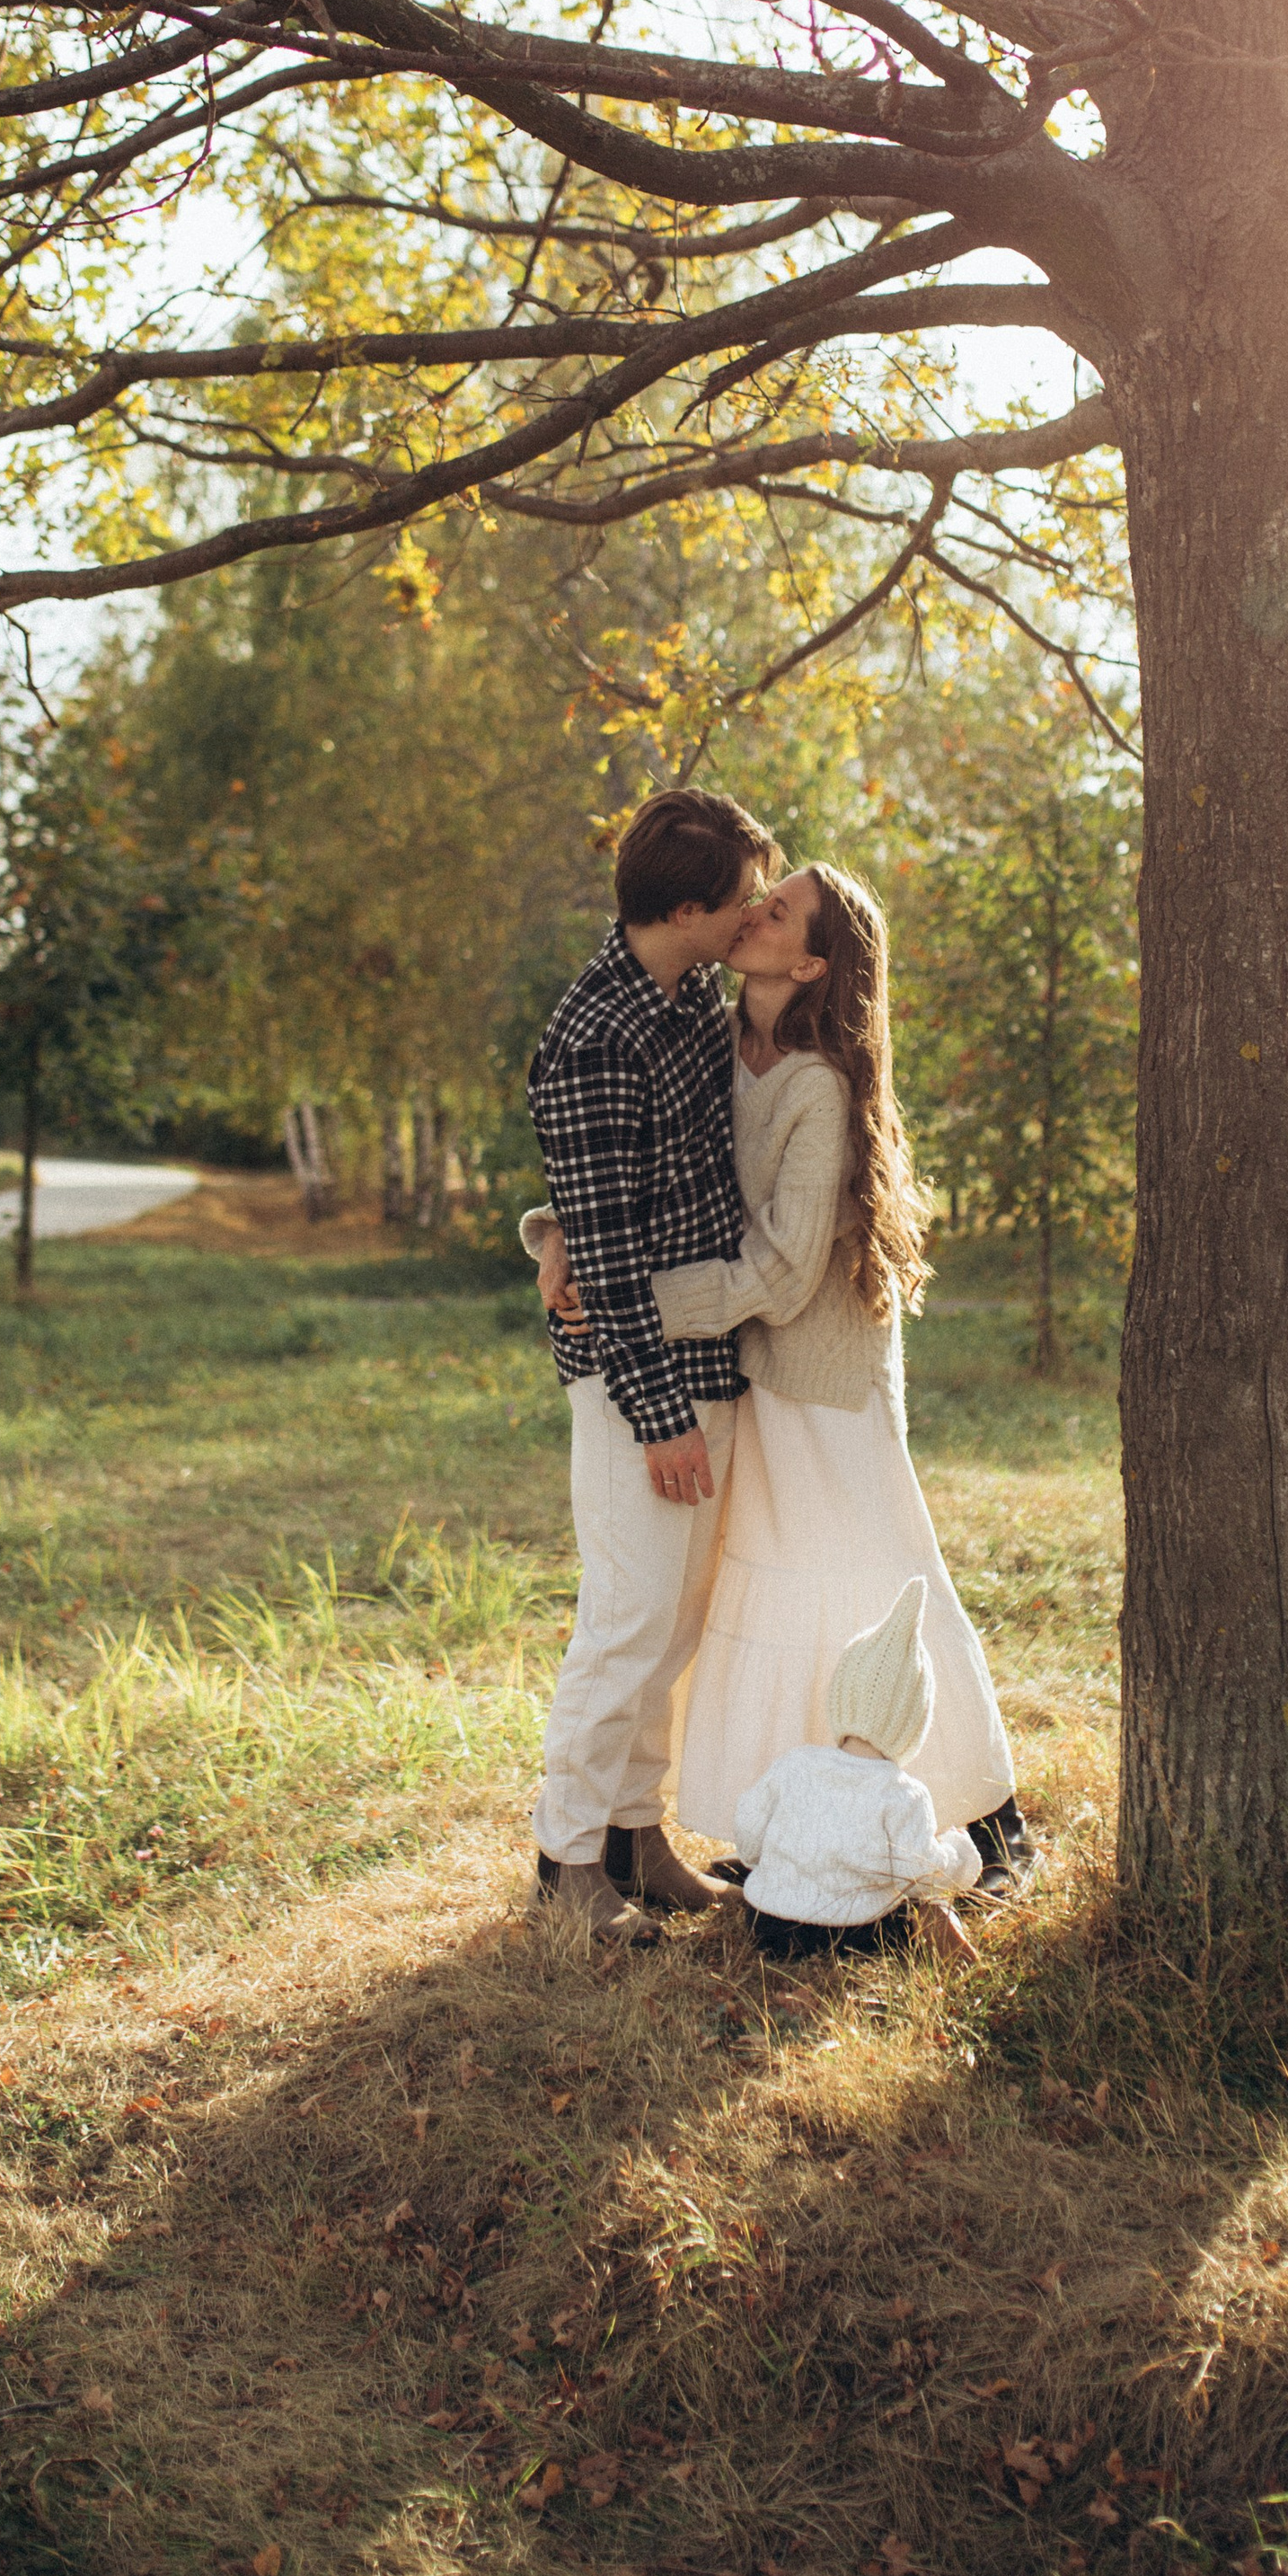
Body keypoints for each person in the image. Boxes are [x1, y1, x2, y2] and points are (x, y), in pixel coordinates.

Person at [537, 859, 1028, 1886]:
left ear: (809, 961)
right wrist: (554, 1234)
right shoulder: (714, 1034)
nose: (754, 910)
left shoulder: (818, 1083)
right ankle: (793, 1823)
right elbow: (633, 1163)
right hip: (747, 1361)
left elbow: (785, 1269)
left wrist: (624, 1296)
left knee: (879, 1577)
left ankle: (985, 1818)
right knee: (767, 1591)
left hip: (828, 1368)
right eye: (759, 897)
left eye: (780, 908)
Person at [522, 784, 778, 1946]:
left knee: (676, 1619)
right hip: (637, 1379)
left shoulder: (692, 990)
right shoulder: (590, 1039)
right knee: (626, 1617)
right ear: (688, 908)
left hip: (712, 1352)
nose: (755, 915)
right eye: (742, 900)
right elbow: (611, 1262)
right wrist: (660, 1413)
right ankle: (565, 1860)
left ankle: (636, 1836)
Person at [732, 1579, 981, 1966]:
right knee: (923, 1900)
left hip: (768, 1925)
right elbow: (921, 1870)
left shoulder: (794, 1764)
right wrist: (961, 1854)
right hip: (854, 1934)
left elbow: (748, 1831)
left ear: (841, 1698)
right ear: (913, 1724)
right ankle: (956, 1955)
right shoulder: (903, 1794)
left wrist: (771, 1866)